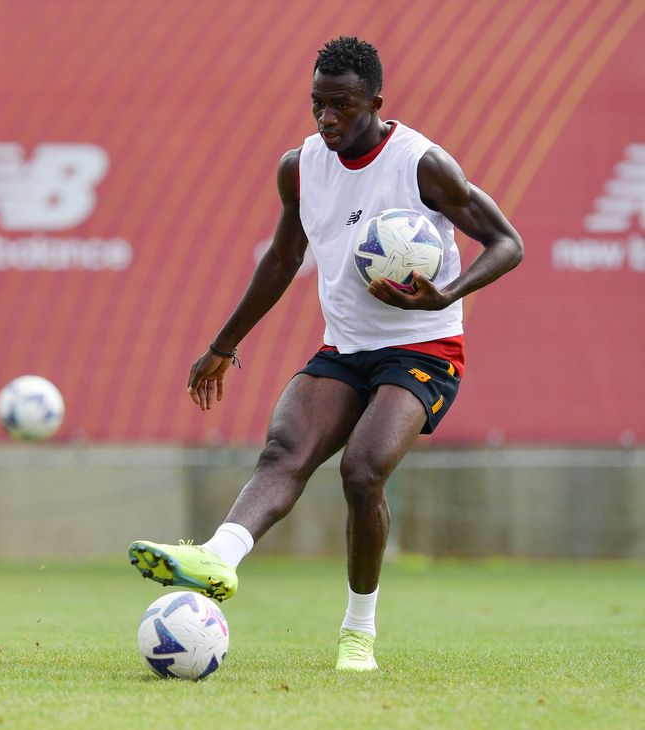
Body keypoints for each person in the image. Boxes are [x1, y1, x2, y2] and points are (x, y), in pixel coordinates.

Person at [128, 37, 523, 670]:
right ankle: (218, 557)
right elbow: (283, 259)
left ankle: (357, 632)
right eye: (317, 103)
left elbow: (507, 243)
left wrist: (444, 293)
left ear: (375, 103)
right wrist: (222, 346)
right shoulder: (301, 166)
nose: (326, 118)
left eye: (341, 105)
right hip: (345, 347)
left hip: (424, 345)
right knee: (285, 450)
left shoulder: (422, 164)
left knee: (362, 471)